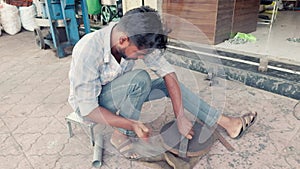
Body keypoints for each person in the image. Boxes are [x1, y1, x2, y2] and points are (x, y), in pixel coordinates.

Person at [68, 6, 257, 159]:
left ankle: (226, 122)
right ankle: (120, 135)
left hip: (122, 90)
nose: (143, 57)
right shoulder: (89, 50)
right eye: (141, 54)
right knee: (140, 79)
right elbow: (87, 108)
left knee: (165, 83)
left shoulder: (137, 36)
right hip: (92, 104)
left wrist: (180, 116)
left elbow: (168, 73)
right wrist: (130, 124)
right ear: (123, 40)